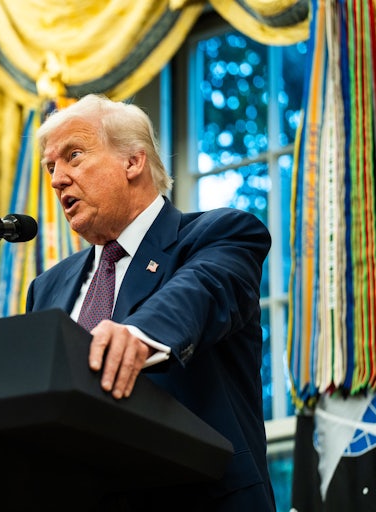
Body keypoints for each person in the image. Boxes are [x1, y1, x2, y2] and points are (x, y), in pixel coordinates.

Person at [26, 94, 275, 511]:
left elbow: (200, 290)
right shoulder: (46, 288)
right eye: (51, 167)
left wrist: (138, 335)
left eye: (74, 156)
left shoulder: (220, 234)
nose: (57, 180)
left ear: (133, 161)